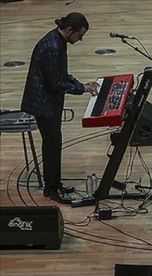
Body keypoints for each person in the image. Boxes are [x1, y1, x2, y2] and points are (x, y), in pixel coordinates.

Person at [20, 12, 99, 204]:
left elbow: (61, 74)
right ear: (69, 29)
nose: (80, 40)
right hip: (43, 104)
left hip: (48, 102)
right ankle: (53, 189)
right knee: (52, 145)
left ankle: (52, 185)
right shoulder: (53, 46)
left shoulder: (58, 41)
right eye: (79, 35)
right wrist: (81, 89)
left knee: (53, 144)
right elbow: (56, 83)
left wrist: (82, 84)